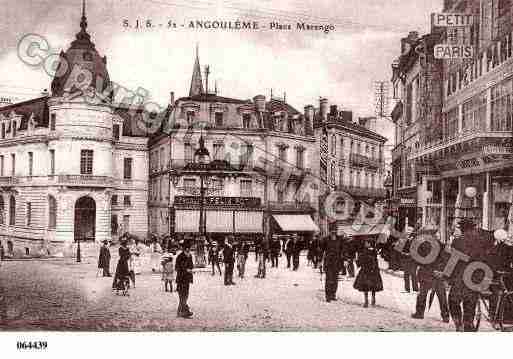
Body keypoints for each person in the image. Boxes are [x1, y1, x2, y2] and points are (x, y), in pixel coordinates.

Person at [447, 218, 489, 331]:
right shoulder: (482, 241)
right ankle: (468, 324)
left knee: (453, 300)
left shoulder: (457, 241)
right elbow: (486, 260)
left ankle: (458, 324)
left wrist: (447, 276)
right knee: (470, 304)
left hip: (461, 278)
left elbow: (453, 261)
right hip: (476, 277)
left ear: (462, 228)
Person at [411, 231, 450, 323]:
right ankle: (445, 316)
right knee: (441, 295)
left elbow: (417, 259)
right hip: (437, 274)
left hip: (426, 273)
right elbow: (446, 259)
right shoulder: (442, 245)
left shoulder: (422, 246)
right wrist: (441, 271)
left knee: (422, 294)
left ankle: (419, 313)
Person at [354, 239, 383, 307]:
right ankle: (372, 300)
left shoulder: (364, 252)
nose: (365, 244)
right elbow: (376, 262)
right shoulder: (374, 252)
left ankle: (366, 301)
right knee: (373, 286)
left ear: (369, 244)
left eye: (366, 243)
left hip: (366, 271)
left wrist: (357, 260)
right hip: (373, 271)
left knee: (366, 286)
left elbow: (360, 262)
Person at [322, 232, 343, 302]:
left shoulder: (340, 239)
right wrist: (319, 260)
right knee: (329, 279)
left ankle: (333, 294)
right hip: (328, 263)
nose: (333, 233)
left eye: (335, 231)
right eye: (332, 231)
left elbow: (342, 250)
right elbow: (321, 250)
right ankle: (328, 296)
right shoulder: (326, 240)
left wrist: (345, 259)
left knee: (335, 280)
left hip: (337, 263)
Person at [176, 241, 194, 318]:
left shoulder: (190, 256)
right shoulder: (180, 256)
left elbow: (191, 265)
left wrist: (190, 269)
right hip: (181, 278)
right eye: (186, 248)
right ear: (183, 249)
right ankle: (184, 311)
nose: (187, 250)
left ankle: (181, 311)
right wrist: (186, 270)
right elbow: (177, 267)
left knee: (185, 295)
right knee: (182, 295)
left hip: (187, 278)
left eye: (188, 248)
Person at [402, 226, 419, 293]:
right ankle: (407, 289)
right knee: (406, 274)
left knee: (413, 273)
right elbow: (401, 249)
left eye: (410, 230)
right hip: (406, 259)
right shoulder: (404, 239)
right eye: (408, 230)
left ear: (412, 231)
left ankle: (415, 289)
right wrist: (404, 254)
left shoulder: (415, 239)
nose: (408, 231)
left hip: (413, 259)